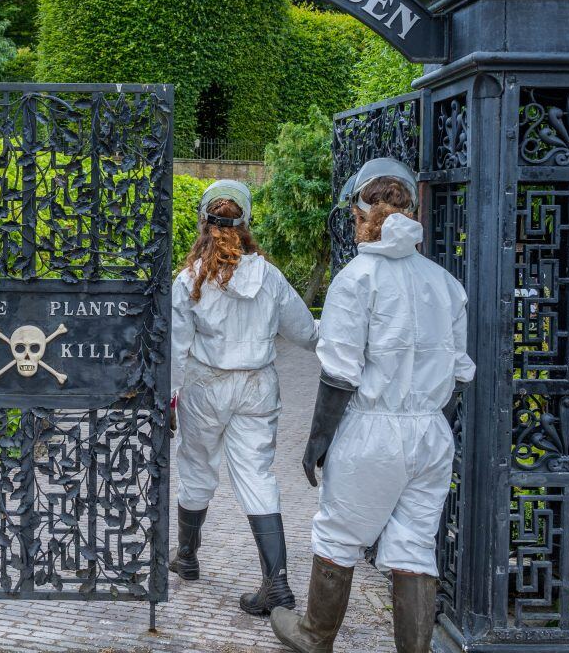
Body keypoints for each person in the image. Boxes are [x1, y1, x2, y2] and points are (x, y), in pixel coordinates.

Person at [271, 159, 474, 653]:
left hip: (372, 431)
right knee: (414, 545)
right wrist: (428, 427)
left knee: (339, 533)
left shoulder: (356, 278)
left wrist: (317, 442)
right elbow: (459, 372)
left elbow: (340, 372)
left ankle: (315, 635)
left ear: (362, 216)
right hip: (431, 432)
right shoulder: (444, 282)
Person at [170, 179, 319, 616]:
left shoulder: (189, 279)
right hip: (257, 385)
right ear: (246, 222)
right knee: (257, 475)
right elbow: (305, 333)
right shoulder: (269, 276)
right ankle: (277, 582)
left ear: (203, 221)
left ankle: (187, 556)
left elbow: (176, 349)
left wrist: (168, 397)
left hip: (205, 386)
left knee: (196, 468)